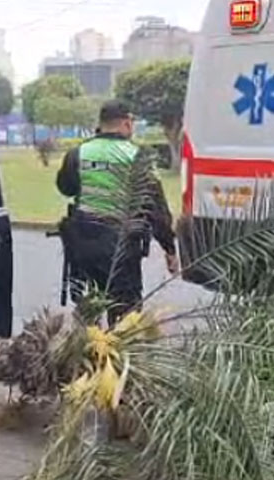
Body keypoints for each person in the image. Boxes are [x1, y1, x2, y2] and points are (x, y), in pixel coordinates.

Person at [56, 100, 179, 324]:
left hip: (84, 247)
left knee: (89, 311)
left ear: (101, 124)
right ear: (125, 123)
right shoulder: (138, 156)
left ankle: (85, 353)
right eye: (131, 122)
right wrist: (169, 249)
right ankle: (120, 355)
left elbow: (66, 187)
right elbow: (156, 208)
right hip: (121, 248)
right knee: (125, 315)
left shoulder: (78, 153)